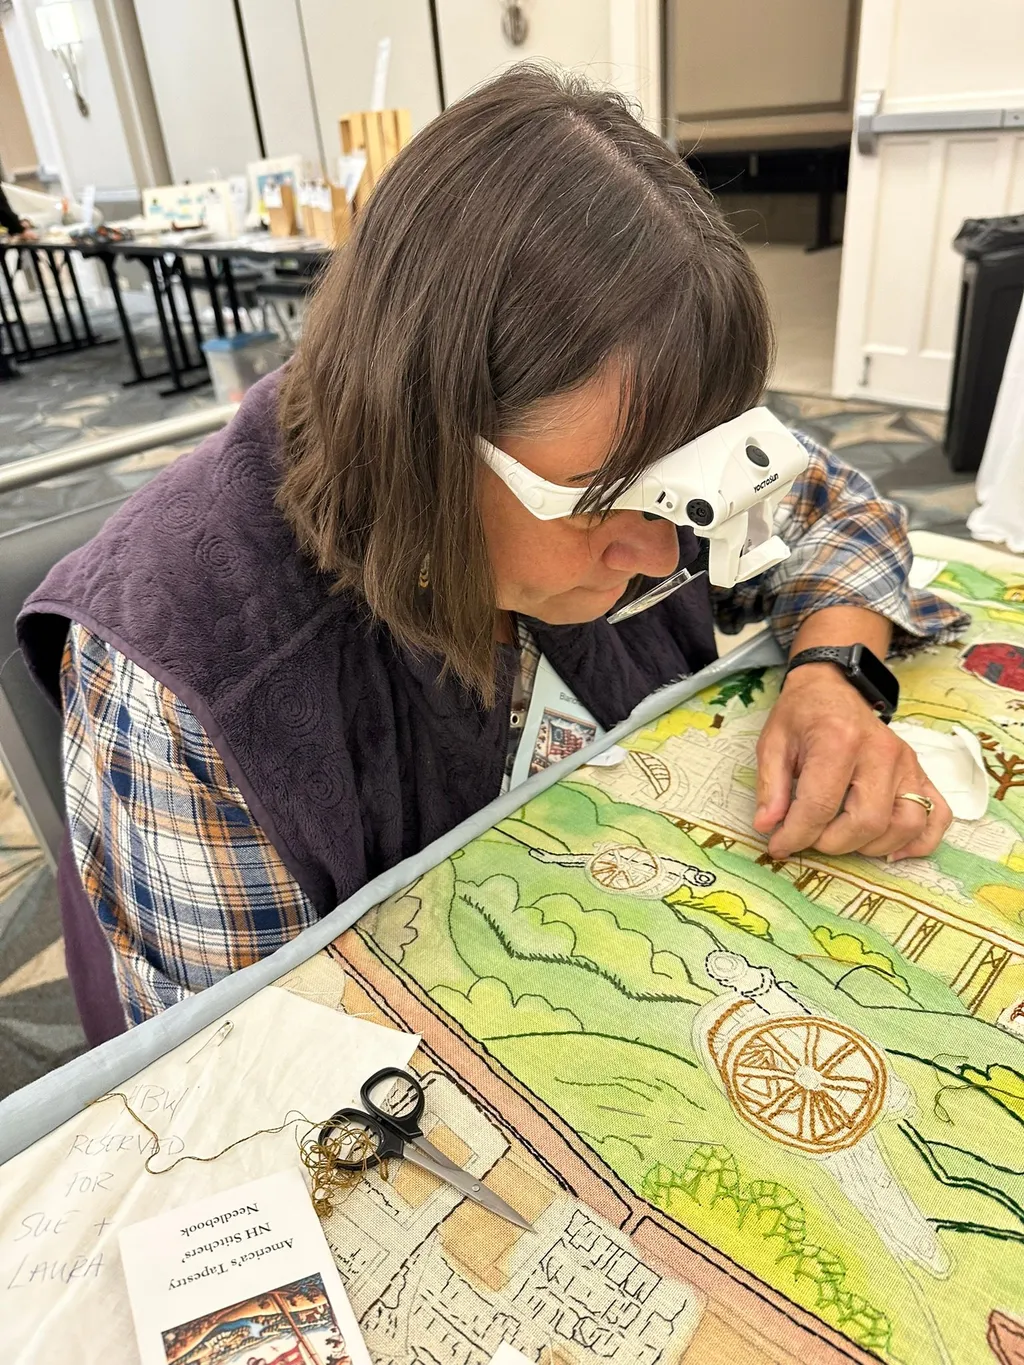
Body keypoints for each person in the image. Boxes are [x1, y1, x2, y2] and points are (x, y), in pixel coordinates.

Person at [19, 67, 967, 1038]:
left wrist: (833, 673)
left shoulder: (636, 433)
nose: (657, 549)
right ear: (423, 444)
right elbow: (245, 1068)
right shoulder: (179, 677)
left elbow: (839, 510)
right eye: (603, 503)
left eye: (681, 490)